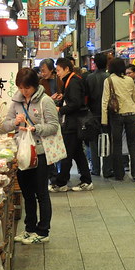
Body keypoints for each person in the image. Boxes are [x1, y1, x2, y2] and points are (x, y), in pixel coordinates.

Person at [0, 68, 60, 244]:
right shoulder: (16, 101)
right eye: (21, 87)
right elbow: (6, 127)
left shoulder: (45, 101)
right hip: (22, 153)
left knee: (41, 193)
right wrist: (15, 122)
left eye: (27, 88)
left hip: (40, 153)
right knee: (27, 193)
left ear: (35, 85)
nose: (24, 91)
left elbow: (54, 126)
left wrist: (36, 128)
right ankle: (29, 228)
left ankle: (43, 231)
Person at [51, 57, 93, 192]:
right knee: (78, 153)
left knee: (67, 154)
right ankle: (87, 180)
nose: (57, 73)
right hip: (72, 123)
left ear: (67, 69)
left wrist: (60, 109)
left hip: (73, 124)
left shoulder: (73, 82)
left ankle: (61, 183)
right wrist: (62, 98)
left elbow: (75, 103)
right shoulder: (70, 80)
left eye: (58, 70)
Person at [101, 57, 135, 181]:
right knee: (132, 143)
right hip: (131, 114)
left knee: (116, 145)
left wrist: (104, 120)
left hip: (117, 115)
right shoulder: (129, 80)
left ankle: (119, 174)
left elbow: (105, 101)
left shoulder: (109, 80)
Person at [84, 52, 112, 178]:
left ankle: (95, 169)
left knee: (94, 142)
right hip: (107, 113)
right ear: (106, 63)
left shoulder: (89, 78)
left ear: (94, 63)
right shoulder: (109, 77)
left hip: (92, 113)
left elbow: (86, 97)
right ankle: (107, 169)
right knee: (107, 140)